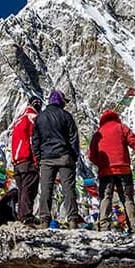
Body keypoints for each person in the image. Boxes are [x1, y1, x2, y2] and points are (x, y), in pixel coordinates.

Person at [88, 109, 135, 233]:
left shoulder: (98, 132)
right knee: (127, 199)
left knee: (105, 198)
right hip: (124, 169)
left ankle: (104, 228)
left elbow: (91, 155)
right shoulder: (121, 128)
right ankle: (134, 227)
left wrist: (102, 165)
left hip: (106, 171)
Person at [31, 90, 82, 228]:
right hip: (64, 157)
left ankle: (44, 220)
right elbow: (73, 138)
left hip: (46, 158)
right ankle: (72, 220)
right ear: (60, 101)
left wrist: (39, 157)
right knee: (68, 189)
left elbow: (35, 141)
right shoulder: (66, 116)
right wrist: (74, 155)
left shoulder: (40, 118)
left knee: (46, 189)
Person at [11, 97, 42, 226]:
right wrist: (37, 160)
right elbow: (32, 140)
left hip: (17, 161)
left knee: (21, 190)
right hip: (27, 159)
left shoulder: (18, 121)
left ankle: (21, 215)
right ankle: (26, 216)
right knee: (29, 189)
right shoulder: (32, 117)